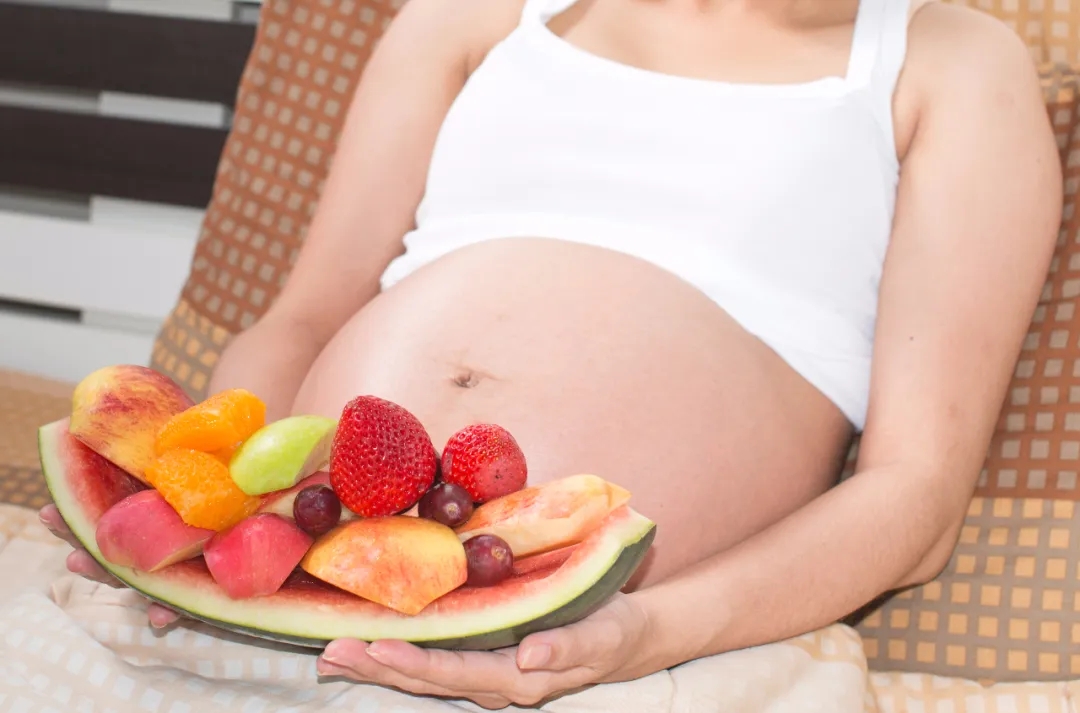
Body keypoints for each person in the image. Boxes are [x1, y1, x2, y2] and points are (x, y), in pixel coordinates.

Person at [41, 0, 1061, 707]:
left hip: (614, 643)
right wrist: (203, 508)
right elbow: (302, 319)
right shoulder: (471, 16)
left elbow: (916, 495)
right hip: (297, 580)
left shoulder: (946, 63)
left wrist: (648, 633)